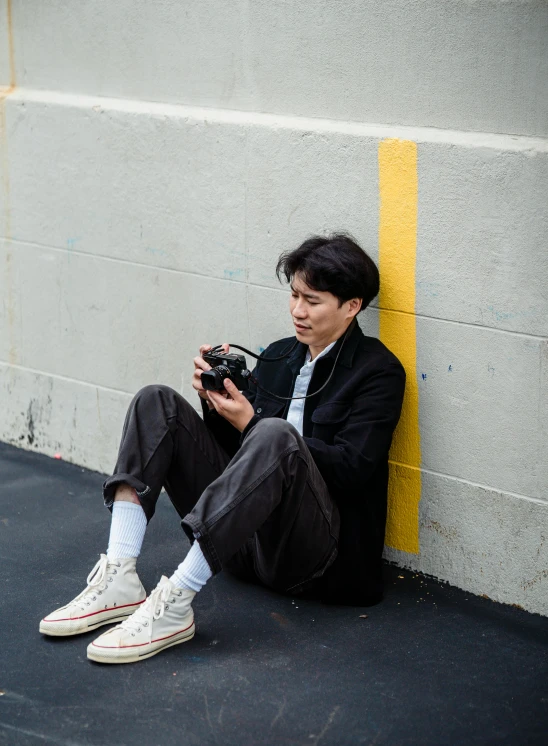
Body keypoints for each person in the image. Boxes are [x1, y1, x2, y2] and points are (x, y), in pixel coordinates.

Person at [39, 233, 405, 664]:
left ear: (352, 306)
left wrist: (254, 423)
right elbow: (243, 453)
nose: (297, 311)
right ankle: (119, 578)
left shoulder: (378, 371)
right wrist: (217, 407)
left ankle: (177, 600)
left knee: (273, 434)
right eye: (293, 295)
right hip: (244, 549)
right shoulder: (280, 355)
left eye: (313, 300)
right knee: (156, 401)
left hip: (315, 561)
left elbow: (351, 468)